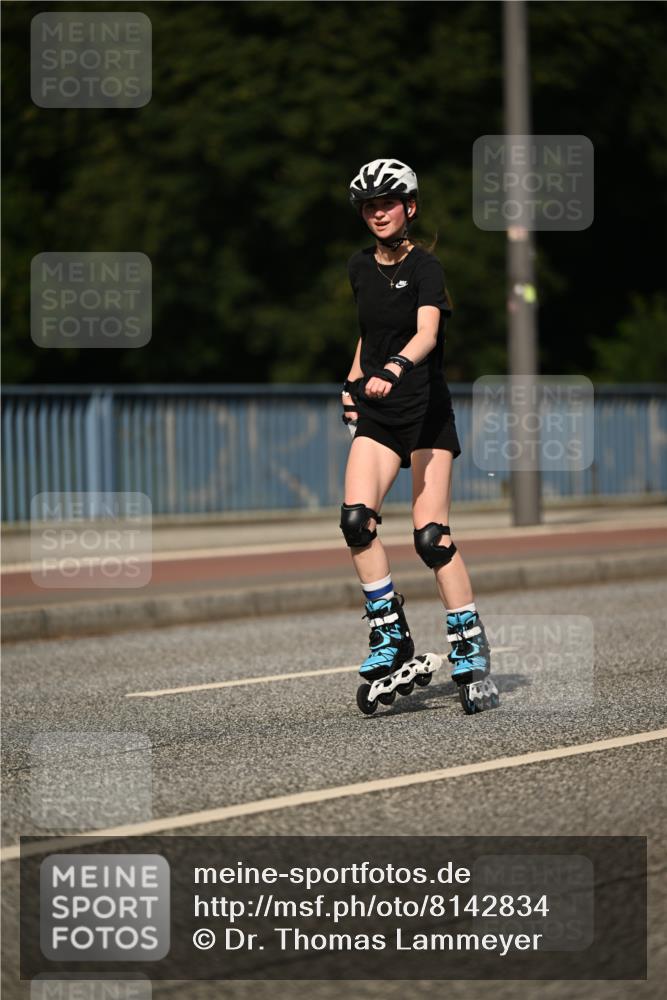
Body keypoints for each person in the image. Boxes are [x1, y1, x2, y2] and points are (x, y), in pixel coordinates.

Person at [339, 158, 494, 713]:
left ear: (409, 207)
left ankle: (469, 643)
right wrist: (352, 381)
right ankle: (390, 635)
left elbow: (426, 333)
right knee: (356, 523)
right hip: (378, 412)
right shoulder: (360, 267)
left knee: (430, 537)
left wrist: (395, 368)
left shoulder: (427, 267)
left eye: (388, 203)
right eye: (370, 206)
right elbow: (369, 332)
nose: (378, 213)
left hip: (425, 411)